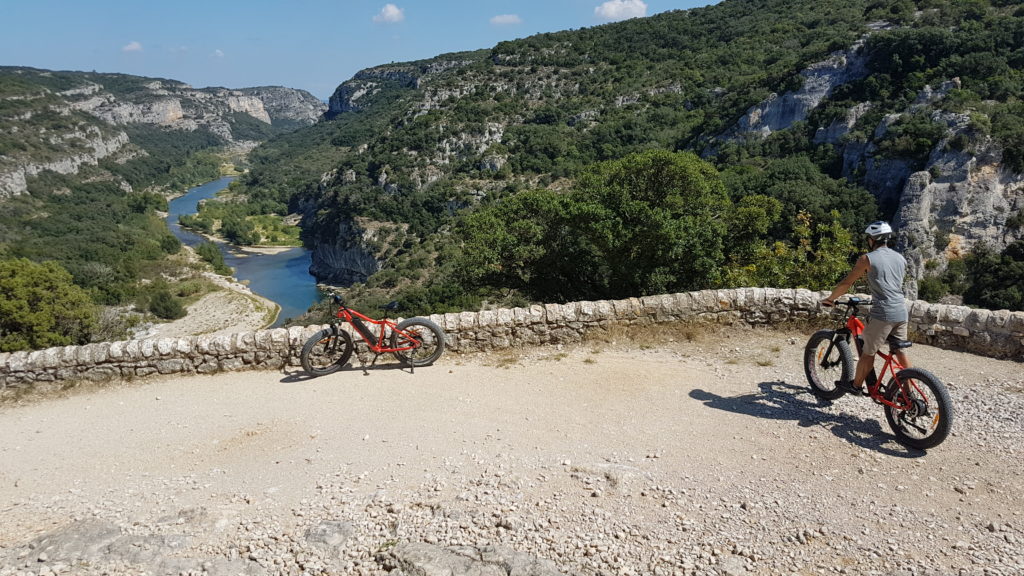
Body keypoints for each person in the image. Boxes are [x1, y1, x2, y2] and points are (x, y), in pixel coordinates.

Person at [821, 221, 910, 395]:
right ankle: (910, 391)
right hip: (901, 310)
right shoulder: (900, 258)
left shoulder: (867, 259)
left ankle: (855, 386)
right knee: (899, 350)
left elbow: (847, 283)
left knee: (868, 352)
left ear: (872, 240)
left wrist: (831, 298)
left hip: (884, 313)